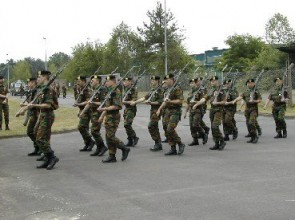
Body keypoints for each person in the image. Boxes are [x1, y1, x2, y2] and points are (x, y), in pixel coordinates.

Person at [28, 70, 59, 170]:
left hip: (47, 115)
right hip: (42, 115)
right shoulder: (43, 89)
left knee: (41, 138)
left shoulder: (48, 89)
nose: (38, 79)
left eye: (39, 77)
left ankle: (52, 157)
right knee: (37, 135)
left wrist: (34, 105)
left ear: (45, 77)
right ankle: (47, 159)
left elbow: (48, 105)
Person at [98, 75, 130, 163]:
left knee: (110, 136)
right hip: (108, 116)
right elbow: (107, 105)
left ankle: (124, 148)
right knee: (108, 137)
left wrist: (103, 109)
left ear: (113, 81)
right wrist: (102, 115)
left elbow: (117, 106)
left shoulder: (116, 91)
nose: (106, 83)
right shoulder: (109, 91)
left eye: (107, 81)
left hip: (114, 116)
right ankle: (112, 156)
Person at [130, 75, 164, 151]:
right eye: (151, 80)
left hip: (158, 110)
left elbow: (160, 102)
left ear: (158, 81)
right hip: (152, 110)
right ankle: (158, 144)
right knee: (155, 127)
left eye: (153, 80)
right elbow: (144, 98)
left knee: (151, 125)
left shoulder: (160, 90)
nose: (152, 82)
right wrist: (135, 102)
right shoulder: (153, 90)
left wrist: (150, 102)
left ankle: (157, 142)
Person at [156, 73, 185, 156]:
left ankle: (180, 143)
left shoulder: (177, 88)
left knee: (170, 129)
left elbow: (180, 100)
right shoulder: (167, 89)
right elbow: (165, 101)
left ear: (172, 80)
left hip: (175, 111)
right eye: (165, 79)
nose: (165, 81)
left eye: (167, 80)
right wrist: (159, 109)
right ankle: (173, 148)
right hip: (167, 111)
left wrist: (170, 101)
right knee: (166, 129)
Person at [232, 79, 262, 143]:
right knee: (248, 123)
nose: (250, 84)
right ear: (247, 84)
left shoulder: (256, 91)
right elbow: (240, 97)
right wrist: (235, 101)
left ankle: (255, 136)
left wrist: (254, 101)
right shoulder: (246, 91)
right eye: (248, 83)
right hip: (247, 109)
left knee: (251, 122)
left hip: (253, 109)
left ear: (254, 84)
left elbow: (260, 100)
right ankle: (252, 137)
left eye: (251, 83)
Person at [184, 77, 208, 146]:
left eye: (193, 83)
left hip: (198, 110)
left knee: (195, 124)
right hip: (191, 110)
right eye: (190, 83)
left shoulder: (200, 91)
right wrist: (185, 112)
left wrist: (195, 102)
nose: (191, 84)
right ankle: (195, 140)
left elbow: (203, 101)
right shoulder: (191, 92)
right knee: (191, 126)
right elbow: (188, 103)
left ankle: (203, 134)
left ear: (196, 83)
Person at [74, 76, 96, 152]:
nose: (77, 83)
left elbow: (88, 102)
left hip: (88, 111)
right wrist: (79, 109)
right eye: (77, 81)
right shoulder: (80, 89)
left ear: (83, 81)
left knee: (81, 127)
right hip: (83, 110)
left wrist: (80, 106)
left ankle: (91, 141)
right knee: (84, 128)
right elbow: (80, 101)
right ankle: (87, 144)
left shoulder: (87, 89)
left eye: (79, 81)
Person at [88, 75, 108, 156]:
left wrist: (93, 103)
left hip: (98, 112)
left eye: (93, 79)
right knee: (95, 131)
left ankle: (102, 146)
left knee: (94, 131)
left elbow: (103, 103)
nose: (91, 81)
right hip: (93, 112)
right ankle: (99, 147)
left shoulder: (102, 89)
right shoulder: (94, 89)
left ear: (98, 81)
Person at [206, 76, 226, 150]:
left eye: (214, 81)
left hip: (218, 110)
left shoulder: (222, 90)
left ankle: (222, 141)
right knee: (212, 127)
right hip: (212, 110)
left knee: (215, 126)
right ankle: (216, 143)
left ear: (217, 81)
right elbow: (207, 97)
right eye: (211, 81)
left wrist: (217, 102)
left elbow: (224, 101)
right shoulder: (211, 90)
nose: (212, 82)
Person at [22, 77, 41, 156]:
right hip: (33, 114)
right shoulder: (32, 92)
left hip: (37, 114)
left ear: (33, 83)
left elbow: (34, 103)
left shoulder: (37, 91)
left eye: (29, 83)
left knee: (35, 132)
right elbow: (30, 102)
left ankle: (40, 149)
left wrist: (25, 106)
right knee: (30, 132)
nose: (28, 84)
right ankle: (37, 148)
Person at [122, 77, 139, 147]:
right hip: (126, 109)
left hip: (131, 109)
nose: (124, 83)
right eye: (124, 81)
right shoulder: (126, 89)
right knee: (126, 125)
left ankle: (134, 137)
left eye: (126, 81)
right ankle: (130, 140)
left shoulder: (133, 89)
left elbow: (134, 101)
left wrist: (124, 101)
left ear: (130, 82)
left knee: (127, 124)